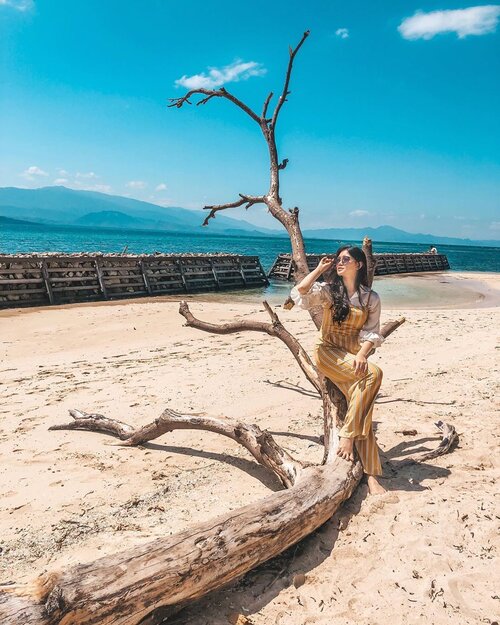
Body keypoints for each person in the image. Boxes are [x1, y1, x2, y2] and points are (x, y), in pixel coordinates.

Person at [290, 245, 386, 495]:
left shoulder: (370, 297)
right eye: (338, 259)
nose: (340, 263)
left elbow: (372, 332)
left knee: (362, 403)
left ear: (359, 264)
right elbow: (301, 292)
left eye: (345, 259)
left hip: (353, 355)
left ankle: (372, 475)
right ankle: (349, 437)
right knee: (374, 374)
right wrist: (320, 269)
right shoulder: (330, 291)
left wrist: (363, 354)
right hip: (328, 352)